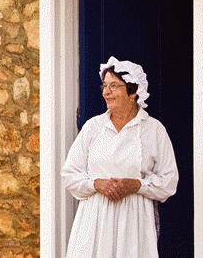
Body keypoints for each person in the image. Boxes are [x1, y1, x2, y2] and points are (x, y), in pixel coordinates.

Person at [62, 56, 179, 258]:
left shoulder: (153, 130)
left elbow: (169, 181)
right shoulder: (93, 127)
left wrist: (137, 185)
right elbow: (70, 174)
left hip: (134, 220)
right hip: (94, 219)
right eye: (105, 86)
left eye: (114, 86)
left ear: (133, 92)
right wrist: (97, 183)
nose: (106, 92)